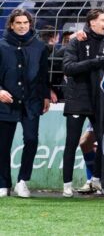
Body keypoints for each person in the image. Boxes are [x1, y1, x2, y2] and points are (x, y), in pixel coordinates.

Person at [61, 9, 104, 198]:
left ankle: (97, 180)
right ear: (92, 23)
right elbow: (67, 68)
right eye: (103, 20)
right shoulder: (77, 41)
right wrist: (92, 63)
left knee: (103, 141)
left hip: (99, 100)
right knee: (72, 142)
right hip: (77, 99)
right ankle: (67, 184)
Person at [0, 10, 49, 198]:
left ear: (30, 24)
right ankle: (3, 183)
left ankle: (23, 181)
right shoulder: (1, 45)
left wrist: (45, 96)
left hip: (32, 101)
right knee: (3, 145)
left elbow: (43, 75)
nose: (22, 26)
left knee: (31, 139)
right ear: (11, 25)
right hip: (6, 102)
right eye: (18, 23)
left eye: (25, 22)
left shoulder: (40, 46)